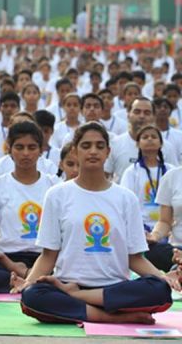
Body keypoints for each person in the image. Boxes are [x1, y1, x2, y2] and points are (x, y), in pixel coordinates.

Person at [17, 122, 177, 324]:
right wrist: (28, 283)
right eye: (86, 146)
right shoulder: (57, 195)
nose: (93, 151)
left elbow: (135, 258)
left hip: (113, 288)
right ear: (75, 151)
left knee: (160, 290)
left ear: (108, 151)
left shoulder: (126, 198)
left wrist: (162, 276)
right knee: (32, 296)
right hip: (69, 283)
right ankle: (111, 317)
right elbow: (49, 255)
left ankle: (79, 300)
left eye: (100, 146)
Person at [0, 122, 59, 293]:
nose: (26, 153)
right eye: (19, 147)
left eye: (32, 147)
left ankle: (26, 276)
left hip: (45, 258)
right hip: (5, 258)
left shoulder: (54, 186)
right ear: (9, 150)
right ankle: (31, 281)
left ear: (41, 150)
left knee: (65, 275)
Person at [119, 125, 174, 271]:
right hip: (142, 231)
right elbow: (126, 205)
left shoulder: (170, 171)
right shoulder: (132, 172)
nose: (150, 139)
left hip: (170, 229)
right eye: (145, 137)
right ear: (137, 144)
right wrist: (141, 231)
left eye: (154, 136)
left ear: (161, 143)